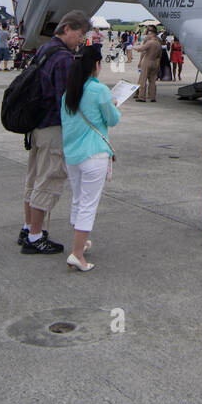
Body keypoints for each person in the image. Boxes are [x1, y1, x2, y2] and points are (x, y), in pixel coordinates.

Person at [20, 10, 91, 255]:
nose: (80, 40)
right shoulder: (64, 59)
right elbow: (66, 99)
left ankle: (28, 227)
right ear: (68, 28)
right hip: (53, 127)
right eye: (80, 34)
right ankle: (36, 237)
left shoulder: (45, 49)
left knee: (34, 177)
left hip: (37, 125)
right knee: (48, 179)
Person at [60, 44, 121, 272]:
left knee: (78, 199)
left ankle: (80, 243)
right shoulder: (99, 90)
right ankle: (76, 254)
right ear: (96, 65)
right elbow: (112, 120)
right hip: (94, 154)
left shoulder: (69, 92)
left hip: (72, 154)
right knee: (88, 204)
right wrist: (114, 106)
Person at [135, 26, 163, 102]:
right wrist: (158, 64)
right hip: (155, 63)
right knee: (153, 81)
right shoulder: (159, 43)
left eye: (149, 34)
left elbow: (142, 50)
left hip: (147, 61)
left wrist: (135, 48)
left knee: (143, 80)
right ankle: (152, 97)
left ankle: (142, 97)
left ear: (152, 34)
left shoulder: (149, 42)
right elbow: (159, 56)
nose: (148, 35)